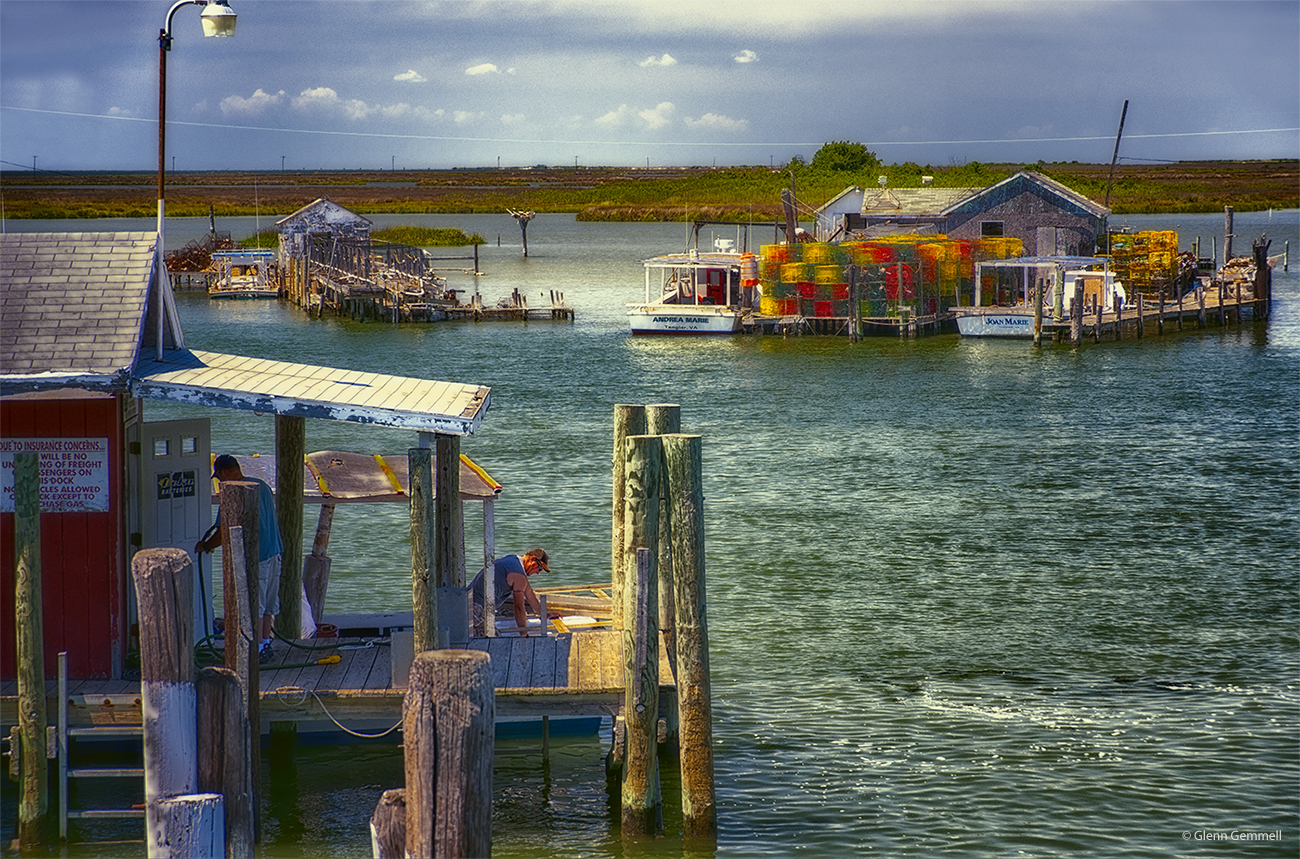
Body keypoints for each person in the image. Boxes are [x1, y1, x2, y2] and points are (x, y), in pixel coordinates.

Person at [196, 454, 284, 661]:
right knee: (269, 602)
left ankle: (257, 650)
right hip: (275, 551)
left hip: (258, 556)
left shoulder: (233, 491)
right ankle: (265, 643)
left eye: (219, 478)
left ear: (224, 472)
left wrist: (206, 546)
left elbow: (223, 532)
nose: (220, 482)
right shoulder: (261, 484)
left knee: (257, 604)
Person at [470, 548, 550, 636]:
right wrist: (524, 635)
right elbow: (519, 608)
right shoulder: (518, 575)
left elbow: (530, 594)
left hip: (467, 603)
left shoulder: (514, 561)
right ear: (532, 559)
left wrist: (544, 615)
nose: (538, 572)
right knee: (496, 641)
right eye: (539, 568)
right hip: (475, 610)